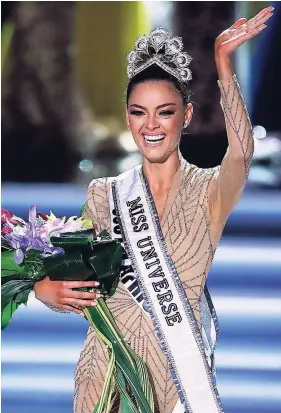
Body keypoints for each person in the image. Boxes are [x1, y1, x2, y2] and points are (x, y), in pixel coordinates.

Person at [34, 7, 273, 413]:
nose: (152, 126)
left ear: (187, 116)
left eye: (165, 112)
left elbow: (242, 153)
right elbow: (83, 278)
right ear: (127, 118)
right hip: (106, 368)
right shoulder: (104, 193)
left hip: (178, 374)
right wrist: (44, 289)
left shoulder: (209, 192)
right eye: (138, 112)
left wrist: (222, 63)